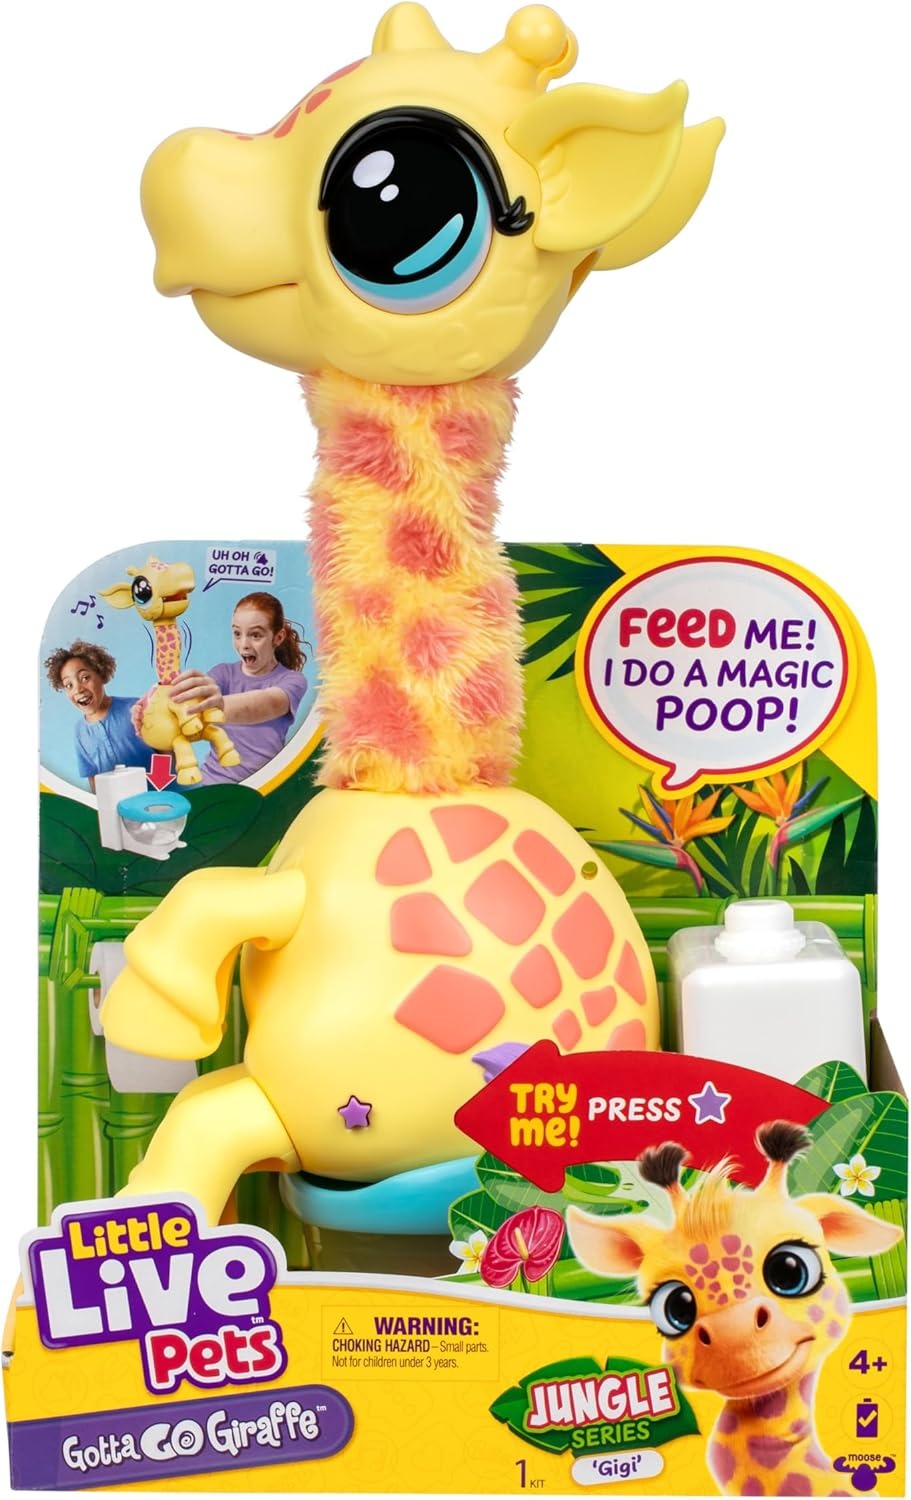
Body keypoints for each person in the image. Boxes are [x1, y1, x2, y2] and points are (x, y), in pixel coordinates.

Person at [168, 592, 308, 784]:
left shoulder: (292, 680)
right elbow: (186, 710)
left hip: (263, 787)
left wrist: (218, 706)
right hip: (210, 781)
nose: (244, 644)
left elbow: (268, 703)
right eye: (237, 633)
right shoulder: (222, 674)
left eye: (256, 635)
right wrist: (149, 710)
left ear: (278, 637)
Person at [45, 640, 151, 788]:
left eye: (85, 678)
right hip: (119, 801)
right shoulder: (80, 732)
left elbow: (167, 751)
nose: (78, 689)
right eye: (69, 685)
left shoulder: (135, 708)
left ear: (101, 674)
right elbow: (93, 778)